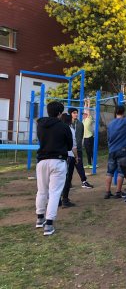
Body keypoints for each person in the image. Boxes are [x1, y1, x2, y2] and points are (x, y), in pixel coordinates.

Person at [35, 101, 73, 236]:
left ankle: (40, 218)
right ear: (59, 113)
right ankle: (49, 224)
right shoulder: (64, 127)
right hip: (58, 161)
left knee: (41, 191)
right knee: (55, 193)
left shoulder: (40, 125)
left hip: (42, 161)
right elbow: (69, 146)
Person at [68, 107, 93, 189]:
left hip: (77, 149)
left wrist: (79, 146)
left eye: (76, 112)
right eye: (74, 113)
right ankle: (68, 183)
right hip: (68, 150)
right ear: (70, 114)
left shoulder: (80, 124)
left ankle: (84, 181)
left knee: (80, 165)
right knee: (69, 168)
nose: (76, 114)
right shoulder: (67, 124)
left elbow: (81, 136)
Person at [60, 112, 79, 208]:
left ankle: (58, 199)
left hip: (60, 157)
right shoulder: (70, 129)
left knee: (59, 179)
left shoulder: (58, 129)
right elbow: (73, 146)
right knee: (67, 179)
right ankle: (65, 200)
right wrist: (76, 157)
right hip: (69, 156)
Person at [82, 99, 94, 169]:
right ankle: (89, 164)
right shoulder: (84, 120)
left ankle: (94, 163)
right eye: (83, 114)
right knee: (87, 151)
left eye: (84, 114)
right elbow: (85, 109)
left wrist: (89, 102)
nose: (83, 115)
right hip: (85, 138)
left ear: (87, 115)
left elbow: (88, 110)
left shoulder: (89, 118)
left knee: (91, 150)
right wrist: (85, 102)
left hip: (90, 137)